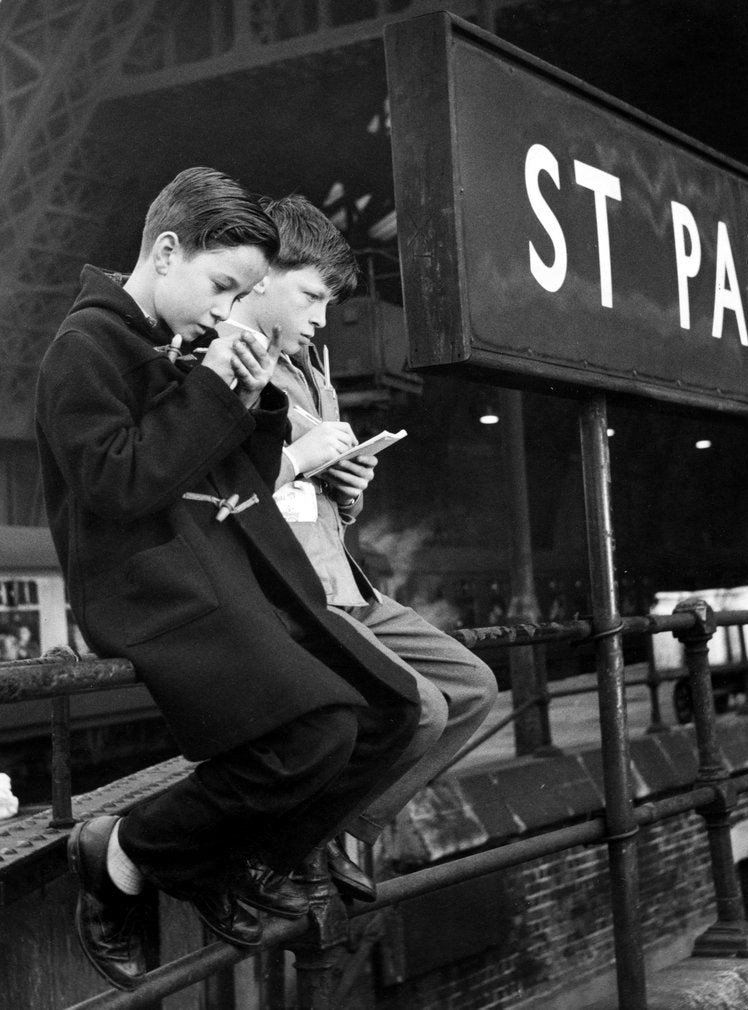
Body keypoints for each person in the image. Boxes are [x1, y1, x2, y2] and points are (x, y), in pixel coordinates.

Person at [34, 167, 421, 991]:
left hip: (215, 569)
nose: (224, 309)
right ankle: (127, 858)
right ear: (166, 251)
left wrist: (255, 398)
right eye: (221, 287)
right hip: (150, 590)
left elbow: (236, 475)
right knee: (317, 733)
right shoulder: (86, 346)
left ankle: (230, 861)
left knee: (390, 711)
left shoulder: (172, 340)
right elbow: (122, 485)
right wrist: (215, 387)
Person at [216, 193, 497, 900]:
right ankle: (294, 845)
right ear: (260, 277)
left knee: (472, 688)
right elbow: (216, 491)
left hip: (344, 581)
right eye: (311, 295)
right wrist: (305, 454)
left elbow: (324, 506)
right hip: (289, 593)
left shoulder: (314, 371)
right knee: (419, 709)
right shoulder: (224, 362)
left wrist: (351, 481)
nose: (320, 315)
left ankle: (343, 826)